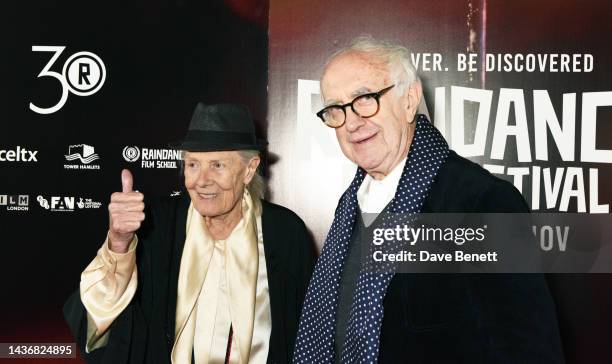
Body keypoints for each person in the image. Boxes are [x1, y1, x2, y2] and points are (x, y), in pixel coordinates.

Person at [293, 37, 564, 363]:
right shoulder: (350, 205)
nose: (351, 122)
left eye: (364, 98)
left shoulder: (480, 202)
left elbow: (528, 351)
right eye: (336, 108)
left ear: (409, 99)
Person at [64, 103, 316, 364]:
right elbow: (101, 314)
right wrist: (119, 244)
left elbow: (310, 336)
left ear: (249, 169)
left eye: (217, 165)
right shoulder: (157, 226)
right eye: (193, 165)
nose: (202, 180)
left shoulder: (286, 234)